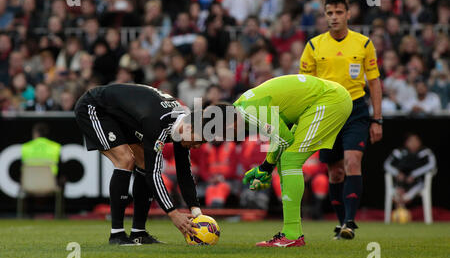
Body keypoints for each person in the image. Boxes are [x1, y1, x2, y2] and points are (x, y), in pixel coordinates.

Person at [74, 83, 205, 245]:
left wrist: (196, 211)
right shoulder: (159, 124)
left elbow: (184, 171)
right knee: (125, 159)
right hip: (95, 106)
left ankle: (139, 233)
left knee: (143, 160)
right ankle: (117, 234)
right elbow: (154, 174)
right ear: (189, 129)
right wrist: (173, 213)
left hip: (124, 113)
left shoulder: (183, 124)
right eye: (199, 140)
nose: (198, 146)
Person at [231, 74, 352, 247]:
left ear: (230, 124)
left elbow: (283, 139)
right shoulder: (244, 105)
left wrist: (266, 166)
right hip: (325, 98)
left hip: (330, 99)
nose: (233, 138)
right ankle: (292, 234)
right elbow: (279, 137)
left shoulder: (248, 110)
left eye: (228, 134)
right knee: (286, 160)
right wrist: (267, 167)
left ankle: (293, 235)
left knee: (289, 159)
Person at [299, 0, 383, 240]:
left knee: (352, 162)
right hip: (327, 113)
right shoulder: (314, 46)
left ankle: (350, 221)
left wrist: (377, 119)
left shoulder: (363, 43)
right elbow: (305, 86)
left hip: (356, 109)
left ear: (348, 14)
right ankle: (341, 224)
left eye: (338, 12)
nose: (334, 17)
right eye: (329, 13)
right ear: (325, 16)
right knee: (335, 172)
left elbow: (374, 82)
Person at [384, 133, 436, 207]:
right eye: (411, 141)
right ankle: (399, 201)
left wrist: (414, 174)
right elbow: (386, 165)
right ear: (406, 142)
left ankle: (405, 198)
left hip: (417, 182)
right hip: (400, 182)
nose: (413, 143)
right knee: (397, 189)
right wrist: (397, 173)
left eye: (416, 140)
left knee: (412, 190)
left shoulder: (425, 152)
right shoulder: (399, 152)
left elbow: (432, 165)